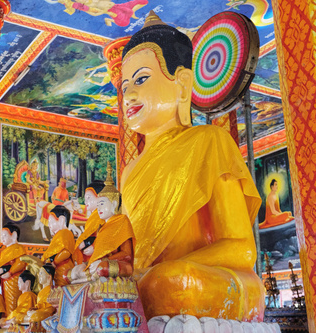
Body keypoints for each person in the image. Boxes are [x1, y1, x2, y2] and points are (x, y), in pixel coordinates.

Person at [120, 12, 264, 321]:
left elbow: (242, 249)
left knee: (170, 283)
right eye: (124, 86)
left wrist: (156, 273)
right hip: (147, 281)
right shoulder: (129, 171)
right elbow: (128, 252)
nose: (129, 94)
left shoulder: (209, 140)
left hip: (196, 282)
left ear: (182, 83)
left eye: (141, 79)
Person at [67, 164, 135, 283]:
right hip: (99, 264)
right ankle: (86, 277)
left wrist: (105, 260)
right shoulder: (102, 226)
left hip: (119, 265)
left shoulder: (122, 221)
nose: (98, 208)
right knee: (70, 274)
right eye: (97, 205)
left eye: (102, 203)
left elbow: (127, 255)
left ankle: (88, 278)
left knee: (102, 267)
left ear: (113, 204)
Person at [0, 224, 27, 317]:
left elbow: (21, 263)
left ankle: (12, 322)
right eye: (1, 236)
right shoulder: (4, 251)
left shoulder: (18, 248)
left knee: (13, 301)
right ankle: (7, 319)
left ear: (13, 235)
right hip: (4, 282)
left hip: (14, 280)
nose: (2, 238)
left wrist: (10, 272)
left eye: (4, 235)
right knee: (4, 303)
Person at [73, 180, 106, 265]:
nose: (85, 202)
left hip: (101, 255)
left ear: (99, 197)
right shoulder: (93, 216)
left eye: (89, 198)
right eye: (85, 198)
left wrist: (93, 246)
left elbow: (105, 235)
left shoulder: (101, 215)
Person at [42, 205, 75, 287]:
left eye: (51, 221)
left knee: (62, 290)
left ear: (61, 220)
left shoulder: (66, 233)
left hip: (64, 267)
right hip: (55, 270)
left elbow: (67, 252)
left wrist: (55, 262)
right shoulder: (56, 237)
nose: (49, 225)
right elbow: (52, 253)